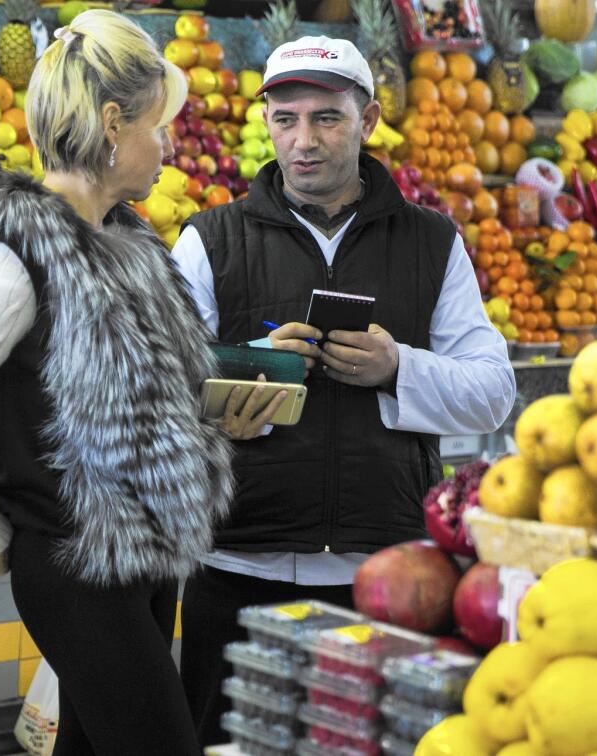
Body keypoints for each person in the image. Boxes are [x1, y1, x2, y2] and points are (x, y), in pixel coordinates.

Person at [0, 11, 250, 755]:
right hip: (76, 566)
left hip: (145, 560)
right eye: (160, 125)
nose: (169, 144)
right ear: (114, 124)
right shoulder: (17, 251)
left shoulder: (131, 244)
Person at [176, 35, 518, 746]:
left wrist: (399, 368)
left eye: (327, 118)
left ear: (367, 121)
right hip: (238, 564)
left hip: (389, 573)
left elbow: (493, 393)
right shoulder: (209, 240)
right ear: (266, 122)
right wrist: (246, 371)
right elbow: (155, 396)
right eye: (286, 118)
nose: (304, 141)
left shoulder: (432, 241)